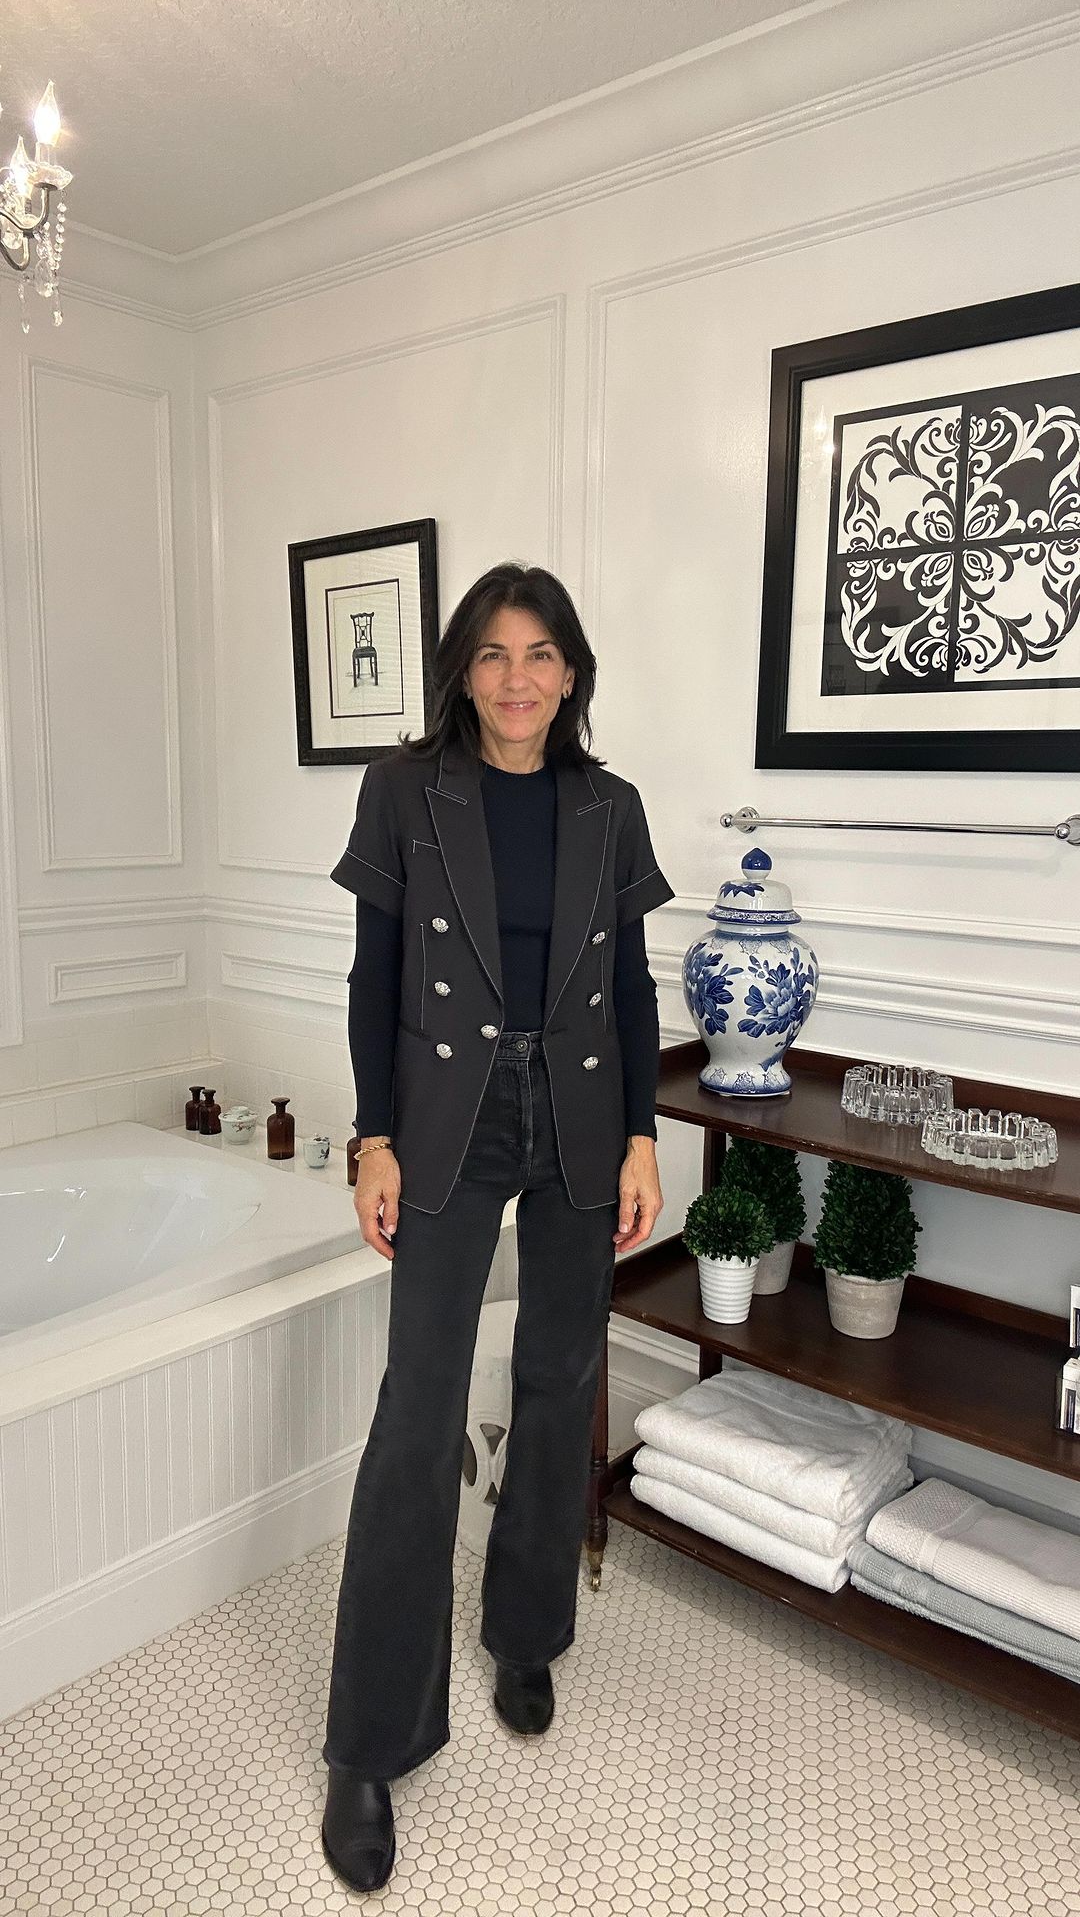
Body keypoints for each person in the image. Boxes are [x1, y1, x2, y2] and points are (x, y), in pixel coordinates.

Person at [320, 561, 674, 1893]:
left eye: (539, 656)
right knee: (418, 1414)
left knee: (559, 1376)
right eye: (491, 655)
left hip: (578, 1114)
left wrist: (642, 1136)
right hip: (447, 1119)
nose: (516, 680)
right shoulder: (406, 790)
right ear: (461, 672)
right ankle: (372, 1741)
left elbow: (632, 989)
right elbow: (374, 978)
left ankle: (525, 1631)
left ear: (571, 673)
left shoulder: (610, 806)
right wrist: (374, 1139)